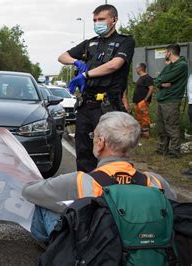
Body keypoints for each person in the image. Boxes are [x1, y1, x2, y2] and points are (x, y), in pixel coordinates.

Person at [22, 111, 177, 243]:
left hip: (97, 250)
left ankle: (55, 252)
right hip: (143, 248)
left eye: (93, 136)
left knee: (44, 205)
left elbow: (29, 191)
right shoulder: (156, 181)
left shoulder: (79, 181)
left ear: (101, 142)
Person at [58, 4, 135, 172]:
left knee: (110, 151)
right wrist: (76, 62)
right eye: (94, 20)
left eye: (101, 19)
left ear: (114, 20)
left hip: (108, 106)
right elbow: (62, 56)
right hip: (86, 105)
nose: (97, 23)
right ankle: (87, 191)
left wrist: (86, 74)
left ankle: (108, 191)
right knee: (84, 151)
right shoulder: (90, 43)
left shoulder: (125, 41)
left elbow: (115, 65)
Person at [155, 44, 189, 158]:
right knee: (161, 126)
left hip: (171, 100)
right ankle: (162, 148)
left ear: (169, 52)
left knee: (171, 126)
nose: (165, 54)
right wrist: (160, 83)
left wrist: (161, 80)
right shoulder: (170, 65)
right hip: (162, 99)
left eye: (166, 52)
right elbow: (158, 79)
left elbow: (164, 78)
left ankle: (174, 151)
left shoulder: (181, 65)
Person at [133, 63, 155, 138]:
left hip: (142, 102)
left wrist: (145, 100)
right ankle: (142, 132)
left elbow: (151, 88)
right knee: (139, 117)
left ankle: (146, 133)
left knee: (144, 117)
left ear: (140, 68)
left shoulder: (147, 77)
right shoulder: (141, 77)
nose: (135, 70)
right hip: (138, 102)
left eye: (136, 68)